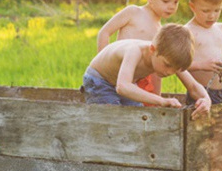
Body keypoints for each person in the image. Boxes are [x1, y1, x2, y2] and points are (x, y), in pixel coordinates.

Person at [83, 23, 212, 117]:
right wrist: (161, 101)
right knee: (112, 119)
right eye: (167, 65)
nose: (169, 72)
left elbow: (193, 86)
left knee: (138, 118)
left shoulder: (169, 57)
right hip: (99, 80)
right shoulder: (135, 51)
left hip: (125, 83)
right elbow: (122, 87)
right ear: (152, 49)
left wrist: (206, 99)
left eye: (175, 69)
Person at [96, 0, 184, 104]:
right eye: (166, 1)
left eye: (176, 1)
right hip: (109, 75)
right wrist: (103, 63)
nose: (172, 6)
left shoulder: (160, 33)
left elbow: (157, 70)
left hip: (131, 82)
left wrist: (157, 99)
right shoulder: (133, 13)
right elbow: (104, 32)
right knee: (110, 113)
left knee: (133, 116)